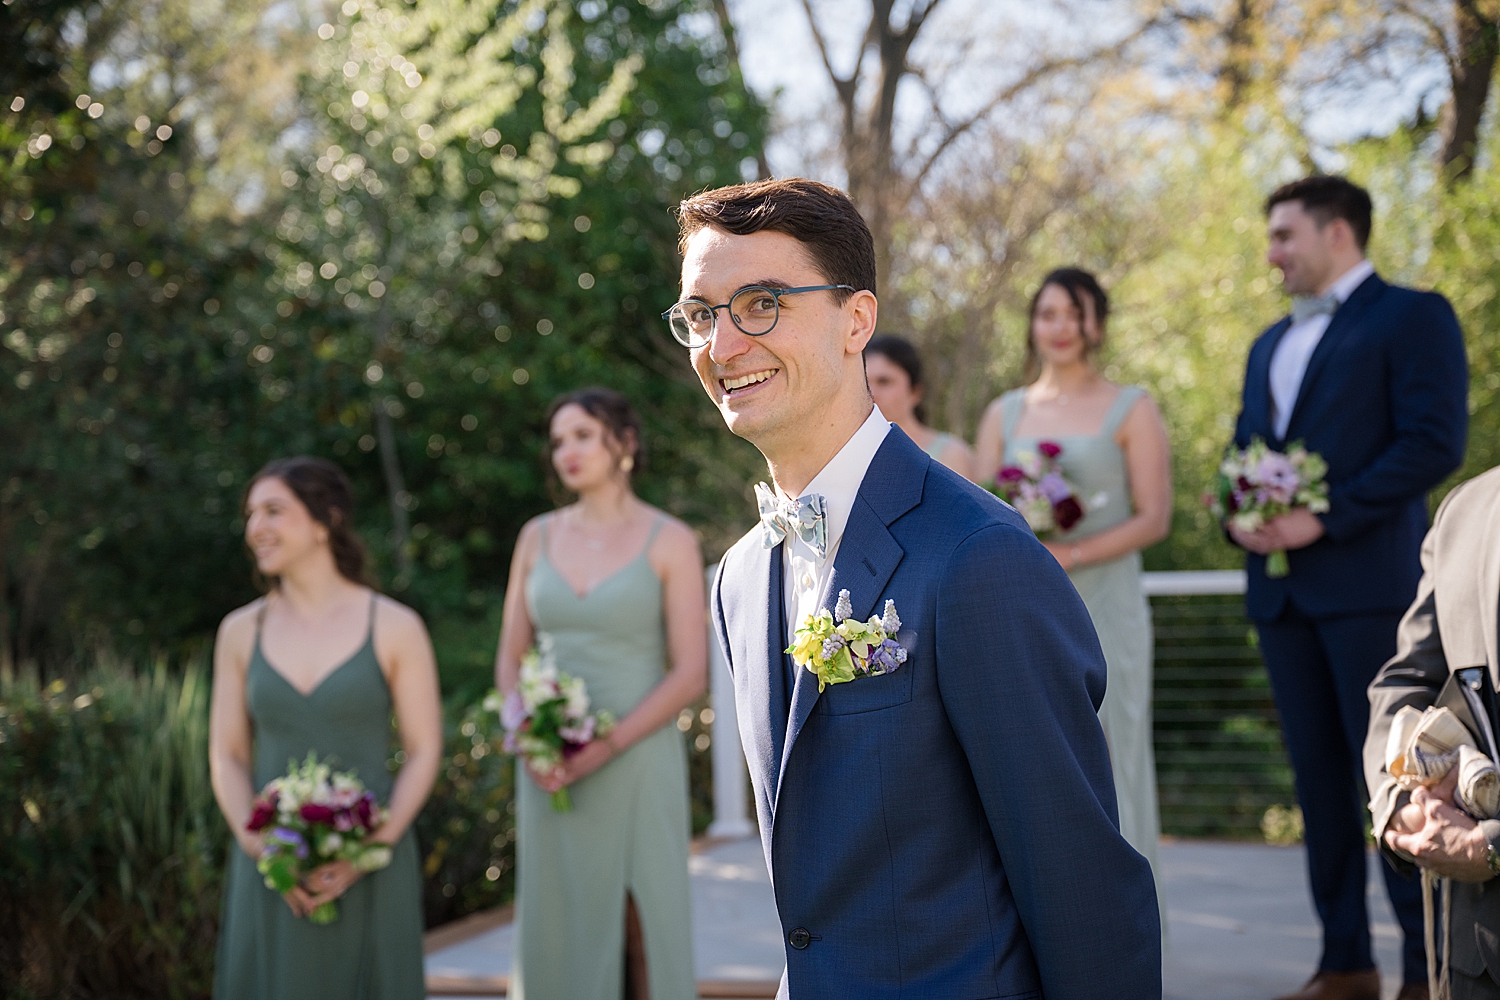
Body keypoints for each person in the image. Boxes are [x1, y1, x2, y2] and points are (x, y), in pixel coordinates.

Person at [671, 177, 1161, 999]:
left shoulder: (978, 557)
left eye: (760, 304)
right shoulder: (741, 575)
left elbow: (1079, 882)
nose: (721, 348)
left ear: (856, 319)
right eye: (700, 315)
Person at [1229, 174, 1468, 1000]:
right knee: (1319, 788)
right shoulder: (1267, 343)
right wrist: (1240, 515)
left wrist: (1320, 519)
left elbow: (1434, 442)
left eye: (1285, 236)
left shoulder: (1414, 315)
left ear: (1339, 233)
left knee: (1399, 778)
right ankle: (1344, 964)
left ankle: (1422, 972)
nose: (1272, 254)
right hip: (1281, 598)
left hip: (1373, 592)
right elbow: (1245, 450)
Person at [973, 266, 1173, 923]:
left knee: (1117, 754)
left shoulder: (1132, 406)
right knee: (1030, 760)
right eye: (1047, 313)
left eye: (1074, 313)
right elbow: (977, 515)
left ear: (1097, 323)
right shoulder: (1003, 413)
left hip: (1108, 602)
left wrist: (1072, 552)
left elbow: (1155, 517)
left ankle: (1130, 935)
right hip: (1026, 609)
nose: (1059, 327)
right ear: (1032, 324)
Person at [494, 387, 707, 1000]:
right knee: (557, 918)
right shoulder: (534, 537)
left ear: (626, 444)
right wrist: (528, 738)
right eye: (559, 440)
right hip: (548, 764)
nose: (567, 451)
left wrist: (604, 747)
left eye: (583, 435)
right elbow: (510, 659)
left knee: (644, 923)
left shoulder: (670, 540)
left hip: (636, 758)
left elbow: (690, 673)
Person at [209, 456, 443, 1000]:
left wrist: (369, 849)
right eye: (250, 515)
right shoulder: (240, 632)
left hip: (372, 865)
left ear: (324, 521)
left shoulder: (393, 626)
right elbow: (227, 755)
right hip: (270, 868)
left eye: (273, 511)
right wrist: (262, 850)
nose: (255, 528)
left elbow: (425, 749)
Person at [1365, 465, 1500, 1000]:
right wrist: (1401, 801)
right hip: (1477, 956)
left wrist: (1490, 845)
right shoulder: (1466, 509)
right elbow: (1408, 680)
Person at [863, 334, 975, 480]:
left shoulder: (950, 453)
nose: (872, 393)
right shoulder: (845, 454)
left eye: (884, 382)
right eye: (865, 382)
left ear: (915, 391)